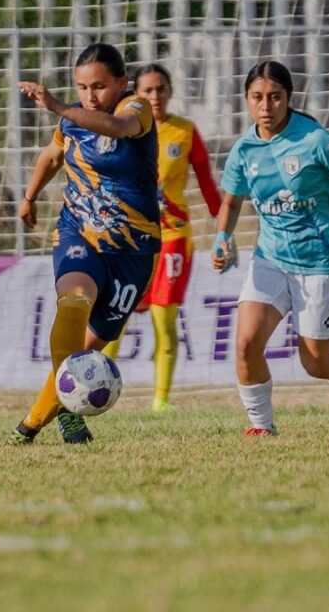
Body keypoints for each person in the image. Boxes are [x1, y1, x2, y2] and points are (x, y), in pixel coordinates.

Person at [212, 60, 329, 436]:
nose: (266, 106)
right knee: (244, 344)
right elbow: (230, 200)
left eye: (275, 97)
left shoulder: (315, 140)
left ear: (289, 98)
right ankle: (262, 428)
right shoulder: (244, 149)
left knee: (316, 363)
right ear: (246, 99)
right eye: (257, 97)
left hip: (321, 263)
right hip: (270, 260)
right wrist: (222, 238)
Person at [9, 43, 160, 445]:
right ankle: (72, 420)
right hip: (79, 231)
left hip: (133, 250)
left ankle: (31, 423)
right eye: (82, 88)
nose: (90, 96)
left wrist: (60, 106)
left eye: (99, 87)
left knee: (91, 348)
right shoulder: (72, 120)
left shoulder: (137, 109)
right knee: (73, 300)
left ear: (122, 83)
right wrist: (29, 197)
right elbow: (52, 156)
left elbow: (120, 129)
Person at [102, 64, 231, 411]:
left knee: (164, 321)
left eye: (161, 89)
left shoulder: (185, 131)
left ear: (170, 92)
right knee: (116, 317)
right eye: (147, 91)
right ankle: (99, 391)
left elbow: (206, 183)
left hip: (173, 237)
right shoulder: (123, 129)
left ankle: (161, 401)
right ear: (135, 94)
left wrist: (224, 228)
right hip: (132, 238)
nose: (155, 97)